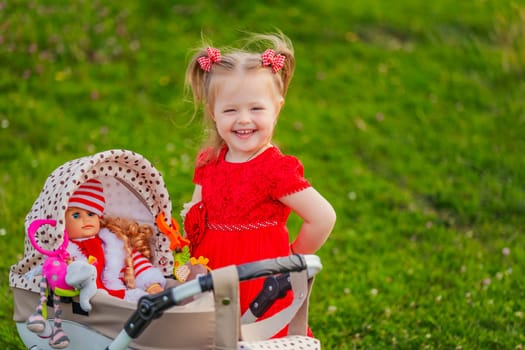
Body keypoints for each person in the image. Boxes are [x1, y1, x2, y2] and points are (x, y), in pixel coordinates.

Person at [182, 32, 336, 336]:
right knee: (213, 337)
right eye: (230, 110)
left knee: (256, 336)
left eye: (256, 109)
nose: (243, 120)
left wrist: (290, 262)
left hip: (260, 279)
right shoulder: (209, 161)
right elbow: (195, 216)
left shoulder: (274, 169)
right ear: (213, 113)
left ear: (277, 109)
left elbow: (323, 217)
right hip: (212, 272)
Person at [65, 179, 166, 300]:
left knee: (144, 300)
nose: (86, 220)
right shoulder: (66, 251)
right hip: (85, 299)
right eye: (76, 215)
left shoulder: (112, 243)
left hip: (118, 295)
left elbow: (136, 261)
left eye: (91, 214)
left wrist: (151, 284)